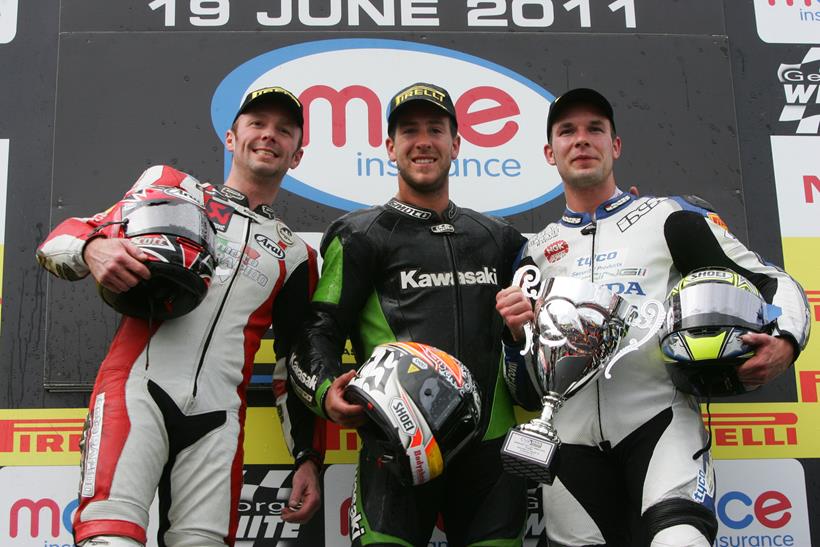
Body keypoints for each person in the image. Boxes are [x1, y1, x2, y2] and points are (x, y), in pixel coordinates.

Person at [496, 88, 811, 547]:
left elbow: (772, 280)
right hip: (568, 443)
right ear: (550, 152)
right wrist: (514, 336)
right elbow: (522, 387)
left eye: (595, 130)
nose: (581, 140)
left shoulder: (669, 217)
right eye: (567, 131)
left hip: (659, 423)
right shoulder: (534, 253)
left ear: (615, 145)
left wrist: (786, 339)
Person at [36, 86, 325, 547]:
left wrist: (308, 456)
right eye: (257, 124)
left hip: (219, 419)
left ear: (297, 155)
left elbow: (293, 367)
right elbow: (58, 241)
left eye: (284, 130)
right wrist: (94, 248)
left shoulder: (296, 255)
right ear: (231, 138)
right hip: (136, 392)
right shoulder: (174, 189)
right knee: (108, 538)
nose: (269, 135)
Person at [288, 82, 529, 546]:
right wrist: (325, 393)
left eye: (436, 130)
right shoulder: (360, 235)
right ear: (389, 147)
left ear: (456, 145)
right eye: (409, 131)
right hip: (394, 450)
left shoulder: (501, 239)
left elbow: (536, 343)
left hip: (491, 456)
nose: (423, 141)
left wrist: (525, 333)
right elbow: (318, 330)